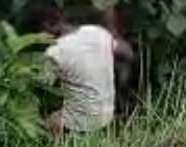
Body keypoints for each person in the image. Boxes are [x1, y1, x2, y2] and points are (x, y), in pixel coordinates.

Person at [40, 10, 133, 139]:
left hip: (80, 122)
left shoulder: (53, 52)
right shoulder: (97, 32)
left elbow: (43, 85)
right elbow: (126, 53)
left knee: (46, 124)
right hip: (107, 113)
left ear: (46, 27)